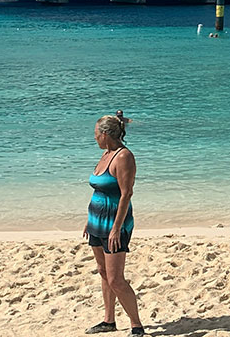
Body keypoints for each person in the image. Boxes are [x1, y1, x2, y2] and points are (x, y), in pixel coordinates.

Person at [84, 115, 143, 335]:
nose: (95, 137)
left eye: (96, 134)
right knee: (103, 272)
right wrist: (88, 222)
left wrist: (117, 228)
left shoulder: (123, 157)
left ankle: (136, 326)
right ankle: (109, 321)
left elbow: (126, 193)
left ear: (106, 134)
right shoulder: (105, 155)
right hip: (96, 223)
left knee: (116, 279)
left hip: (114, 225)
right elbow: (99, 190)